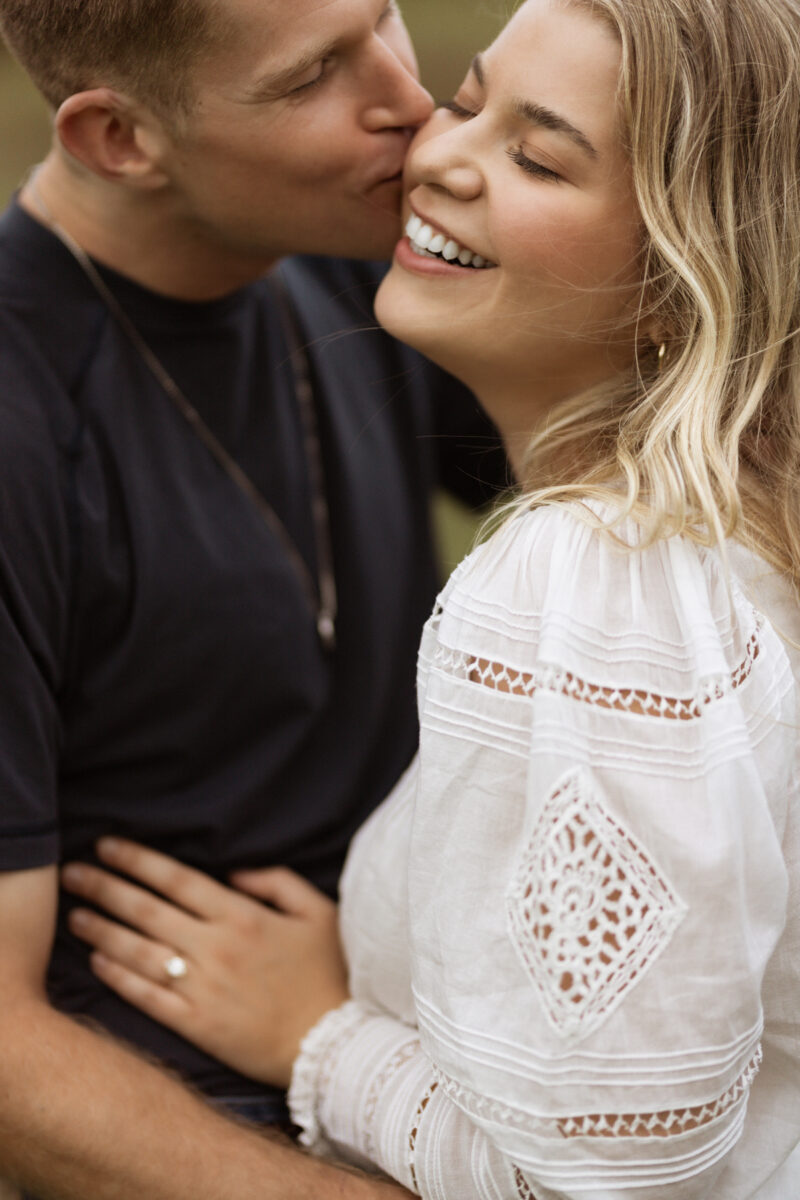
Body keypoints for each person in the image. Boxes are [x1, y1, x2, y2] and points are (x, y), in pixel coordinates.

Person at [62, 0, 800, 1196]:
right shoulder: (738, 530)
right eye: (468, 98)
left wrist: (318, 1035)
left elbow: (606, 1182)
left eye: (536, 154)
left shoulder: (593, 584)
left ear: (677, 277)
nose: (433, 149)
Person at [0, 0, 504, 1196]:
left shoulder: (350, 255)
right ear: (120, 138)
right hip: (218, 1133)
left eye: (381, 16)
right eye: (313, 77)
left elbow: (655, 484)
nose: (407, 98)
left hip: (432, 1061)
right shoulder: (20, 422)